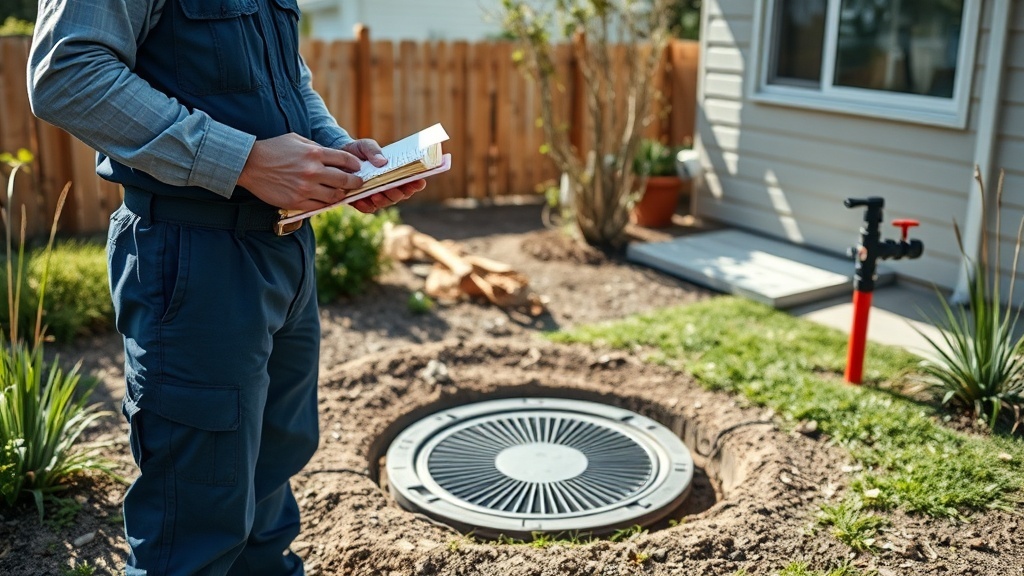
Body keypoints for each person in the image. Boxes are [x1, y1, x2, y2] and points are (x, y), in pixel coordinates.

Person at [28, 1, 425, 574]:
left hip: (283, 250)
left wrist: (334, 152)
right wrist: (244, 162)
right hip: (193, 257)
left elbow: (284, 77)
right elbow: (67, 73)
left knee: (270, 474)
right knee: (196, 518)